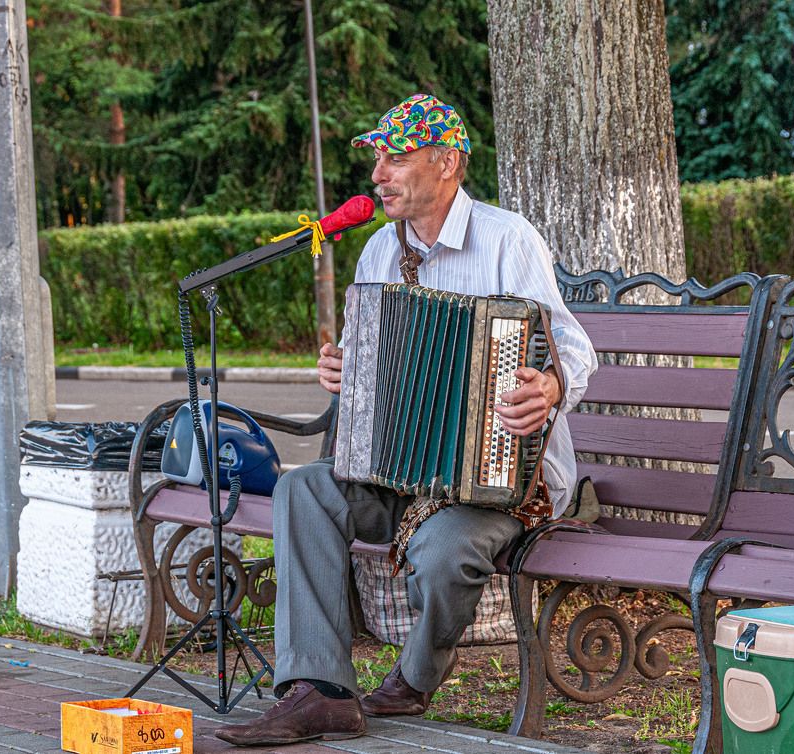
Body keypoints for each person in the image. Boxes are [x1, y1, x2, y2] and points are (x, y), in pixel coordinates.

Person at [216, 93, 597, 746]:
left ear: (446, 162)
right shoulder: (378, 252)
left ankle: (416, 677)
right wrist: (344, 371)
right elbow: (371, 360)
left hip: (499, 478)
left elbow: (573, 344)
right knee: (302, 489)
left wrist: (553, 384)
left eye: (395, 158)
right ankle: (320, 692)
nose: (378, 175)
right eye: (376, 160)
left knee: (443, 548)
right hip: (397, 472)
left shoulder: (507, 240)